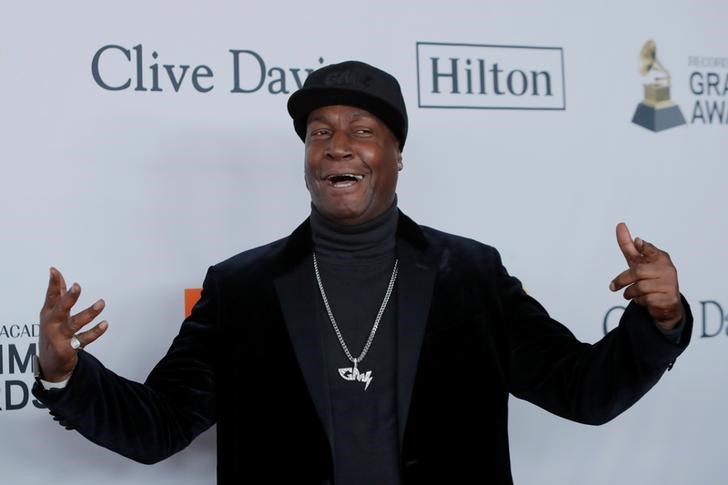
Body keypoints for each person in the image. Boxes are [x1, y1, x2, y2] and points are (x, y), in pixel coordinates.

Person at [33, 60, 692, 485]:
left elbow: (584, 391)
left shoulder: (472, 274)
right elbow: (159, 426)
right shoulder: (240, 289)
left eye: (361, 130)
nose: (338, 144)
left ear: (397, 154)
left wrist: (659, 319)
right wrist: (66, 372)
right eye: (320, 132)